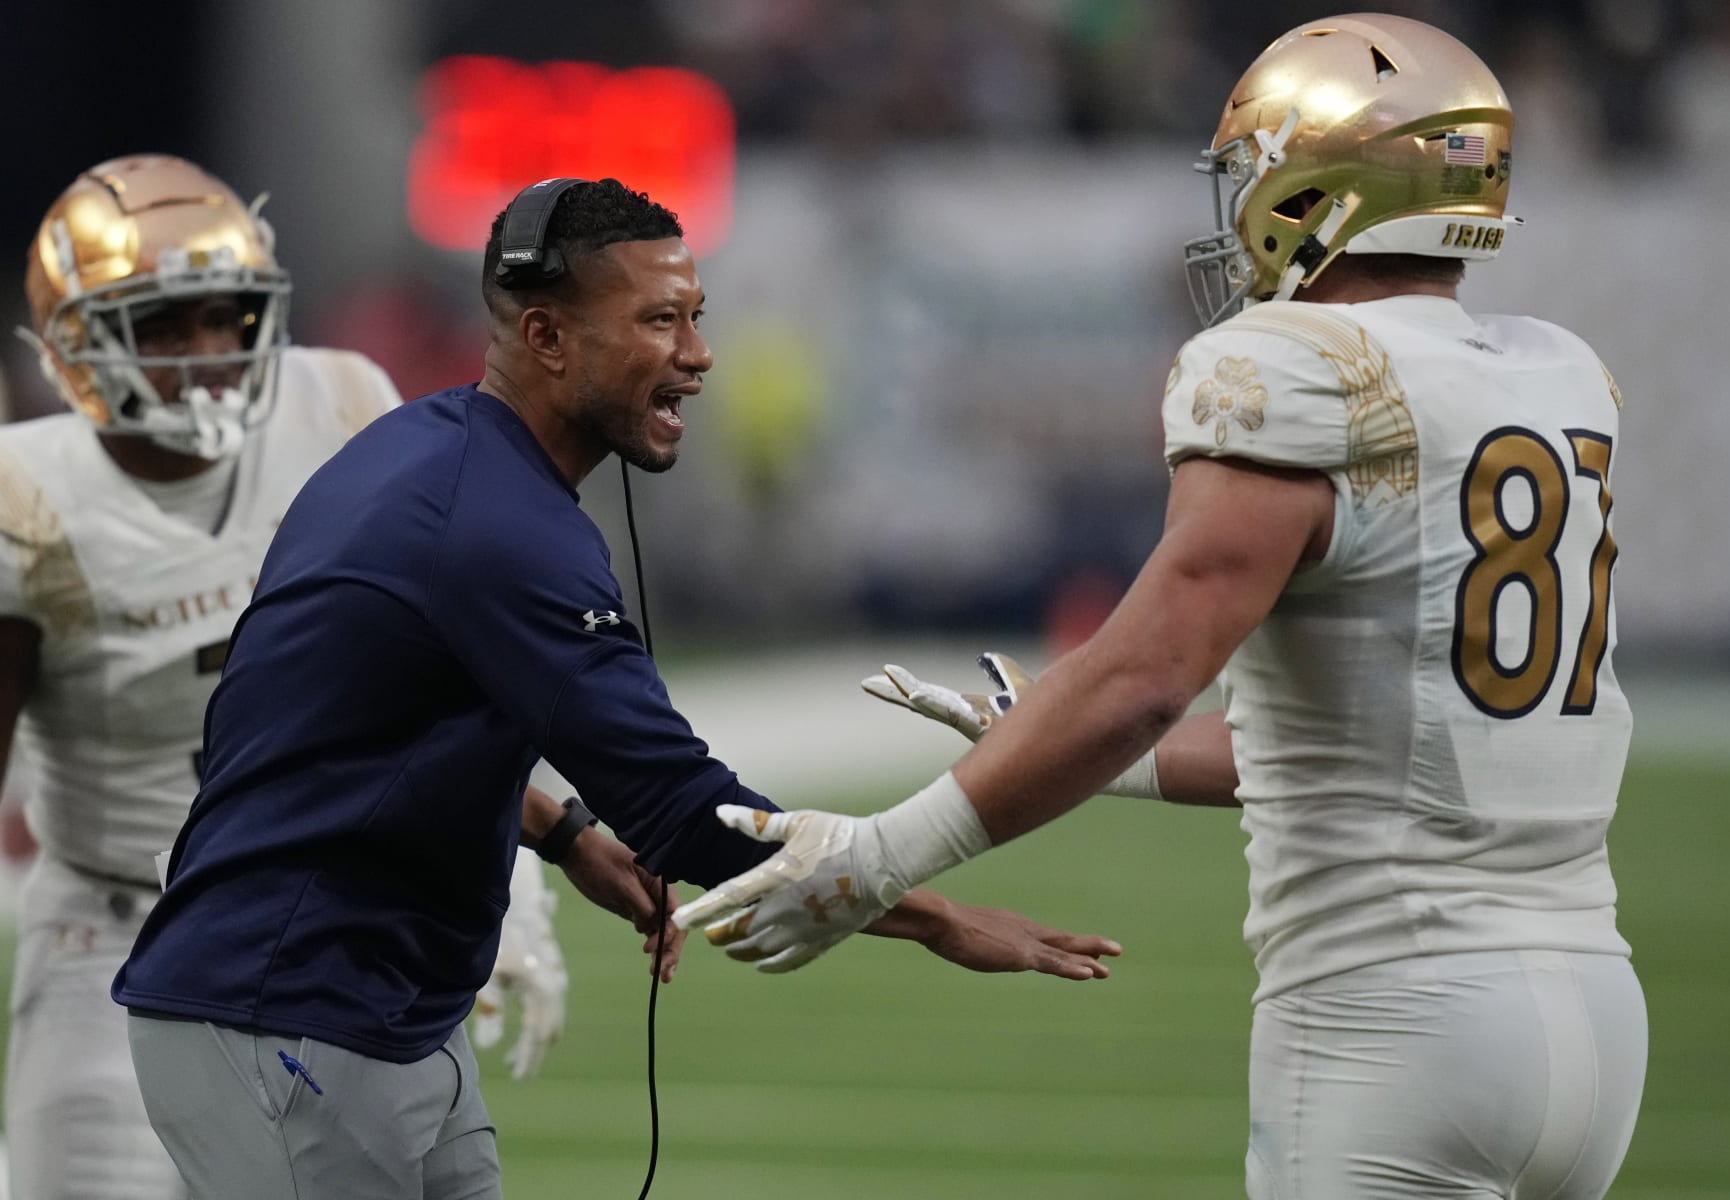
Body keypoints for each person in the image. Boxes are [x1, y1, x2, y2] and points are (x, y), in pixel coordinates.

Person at [675, 14, 1647, 1198]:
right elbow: (1329, 745)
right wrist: (1054, 738)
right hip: (1594, 1013)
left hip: (1394, 1016)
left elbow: (1140, 678)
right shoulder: (1557, 374)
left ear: (1321, 186)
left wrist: (878, 859)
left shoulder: (1294, 365)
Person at [111, 176, 1119, 1198]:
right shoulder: (499, 525)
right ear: (548, 337)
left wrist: (558, 830)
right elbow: (685, 814)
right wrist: (931, 914)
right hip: (283, 1014)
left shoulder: (428, 455)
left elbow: (351, 723)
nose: (698, 352)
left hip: (372, 1014)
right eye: (659, 319)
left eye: (695, 316)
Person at [0, 154, 583, 1200]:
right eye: (166, 326)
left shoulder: (343, 405)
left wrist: (520, 888)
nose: (208, 354)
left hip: (327, 940)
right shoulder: (28, 500)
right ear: (76, 344)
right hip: (114, 945)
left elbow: (451, 687)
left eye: (226, 316)